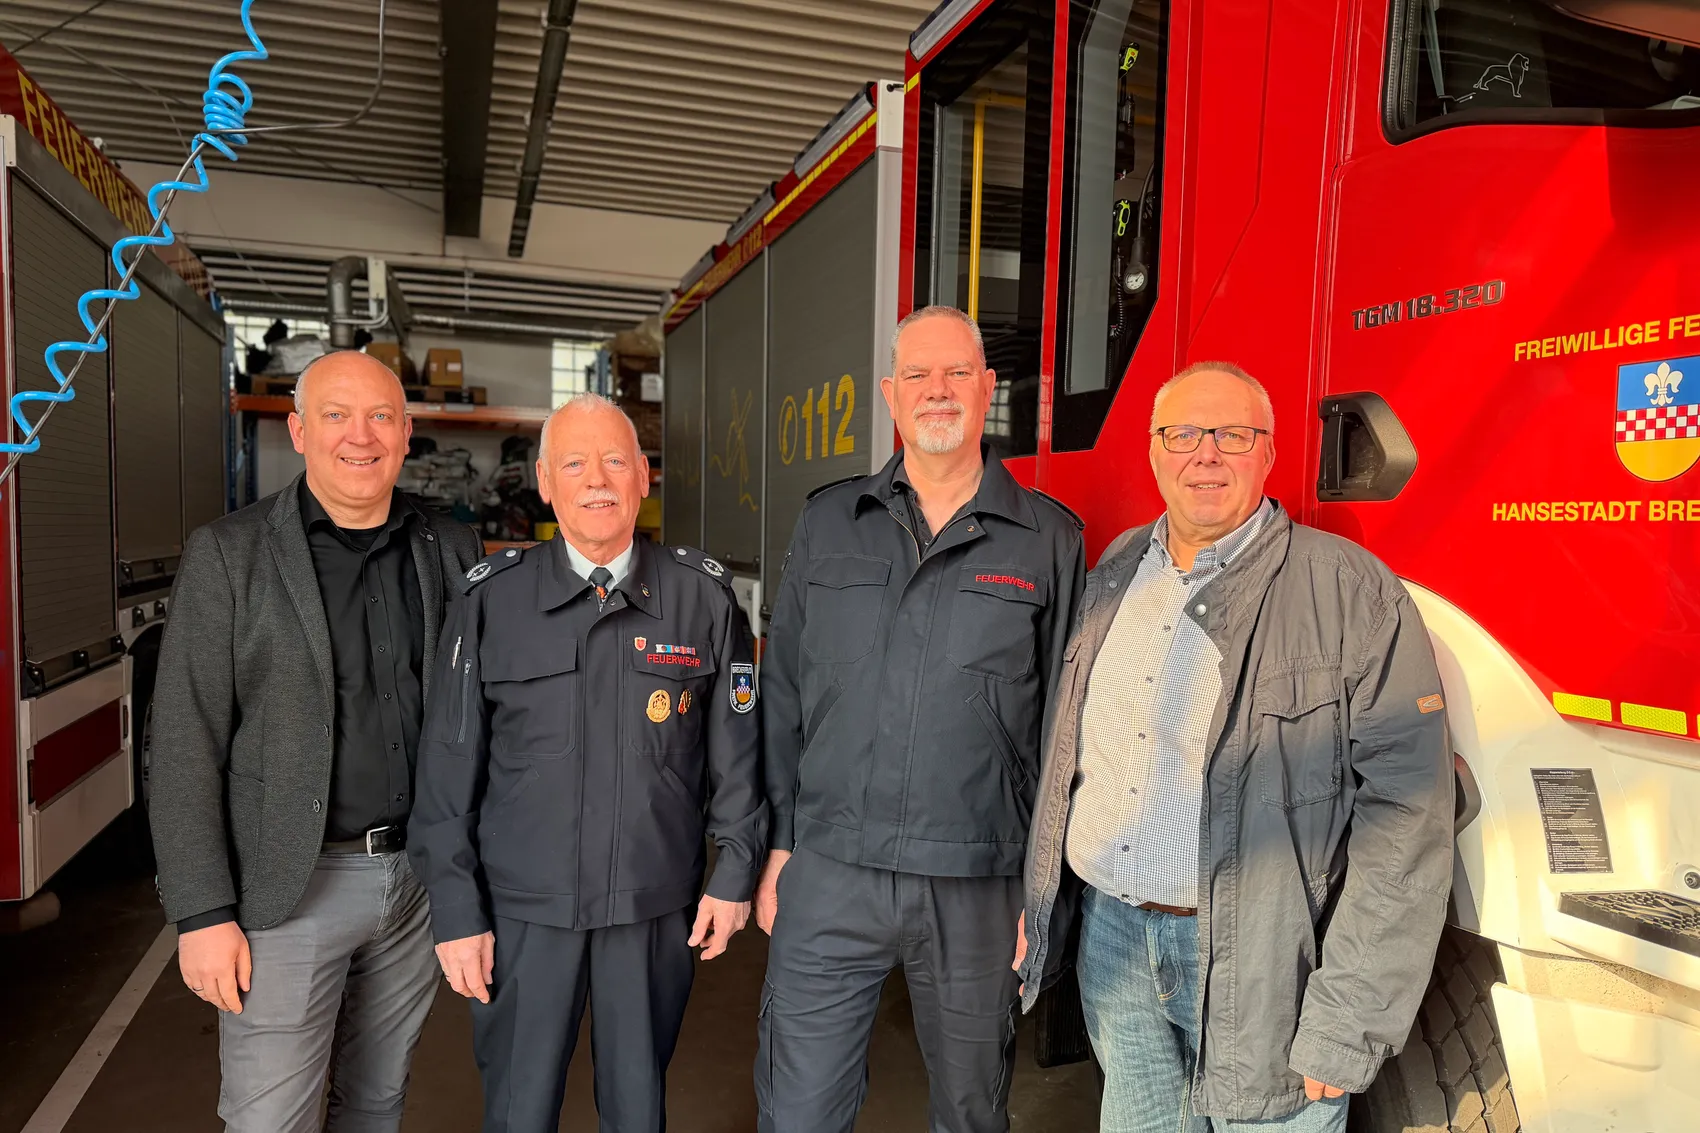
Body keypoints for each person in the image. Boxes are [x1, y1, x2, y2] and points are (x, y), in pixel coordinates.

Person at [1016, 362, 1454, 1132]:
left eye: (1233, 435)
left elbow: (1409, 819)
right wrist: (1038, 901)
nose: (1206, 454)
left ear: (1270, 452)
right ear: (1154, 451)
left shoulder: (1351, 591)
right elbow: (1070, 762)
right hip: (1115, 945)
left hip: (1266, 969)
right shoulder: (1117, 571)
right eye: (1182, 434)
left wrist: (1348, 1017)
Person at [756, 306, 1086, 1133]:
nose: (937, 390)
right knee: (797, 1110)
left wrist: (1042, 890)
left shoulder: (1047, 539)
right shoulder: (829, 521)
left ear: (987, 388)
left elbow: (1066, 733)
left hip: (978, 881)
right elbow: (783, 690)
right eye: (917, 375)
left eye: (956, 373)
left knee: (971, 1111)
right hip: (830, 865)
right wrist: (778, 843)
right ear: (890, 394)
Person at [409, 393, 766, 1133]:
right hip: (523, 910)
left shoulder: (701, 598)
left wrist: (735, 871)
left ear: (644, 475)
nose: (596, 480)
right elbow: (448, 769)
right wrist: (455, 909)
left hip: (650, 905)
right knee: (519, 1109)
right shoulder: (492, 601)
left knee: (638, 1109)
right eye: (574, 464)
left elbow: (736, 752)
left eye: (614, 461)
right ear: (545, 481)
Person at [149, 349, 484, 1132]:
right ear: (299, 432)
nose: (360, 436)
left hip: (417, 885)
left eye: (380, 417)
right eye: (336, 415)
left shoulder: (450, 549)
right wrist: (202, 912)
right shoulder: (230, 554)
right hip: (290, 889)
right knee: (272, 1119)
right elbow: (185, 739)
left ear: (406, 433)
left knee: (376, 1101)